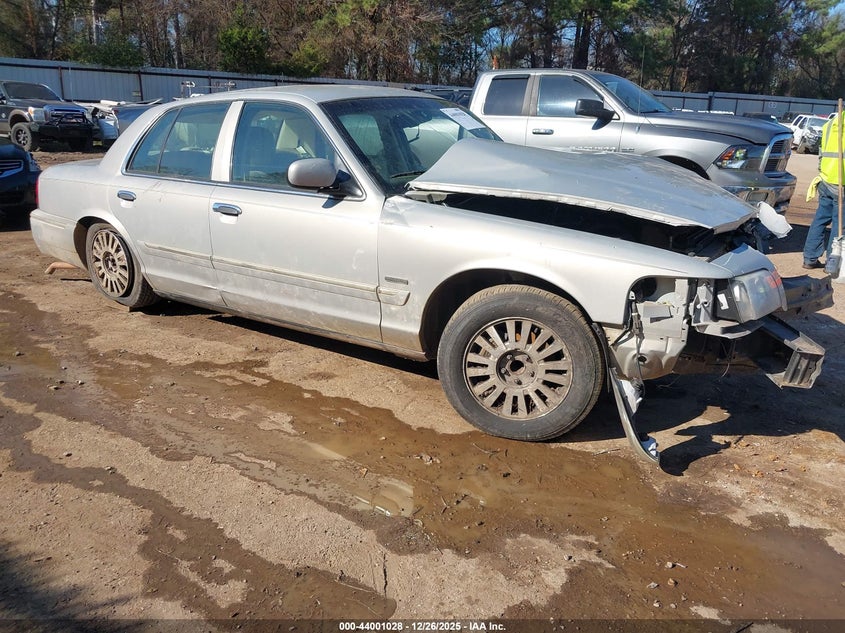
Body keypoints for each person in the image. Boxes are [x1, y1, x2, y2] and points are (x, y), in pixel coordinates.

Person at [803, 111, 843, 269]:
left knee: (820, 220)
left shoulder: (829, 124)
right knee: (840, 224)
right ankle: (833, 262)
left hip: (825, 180)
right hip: (841, 184)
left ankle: (809, 258)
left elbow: (822, 153)